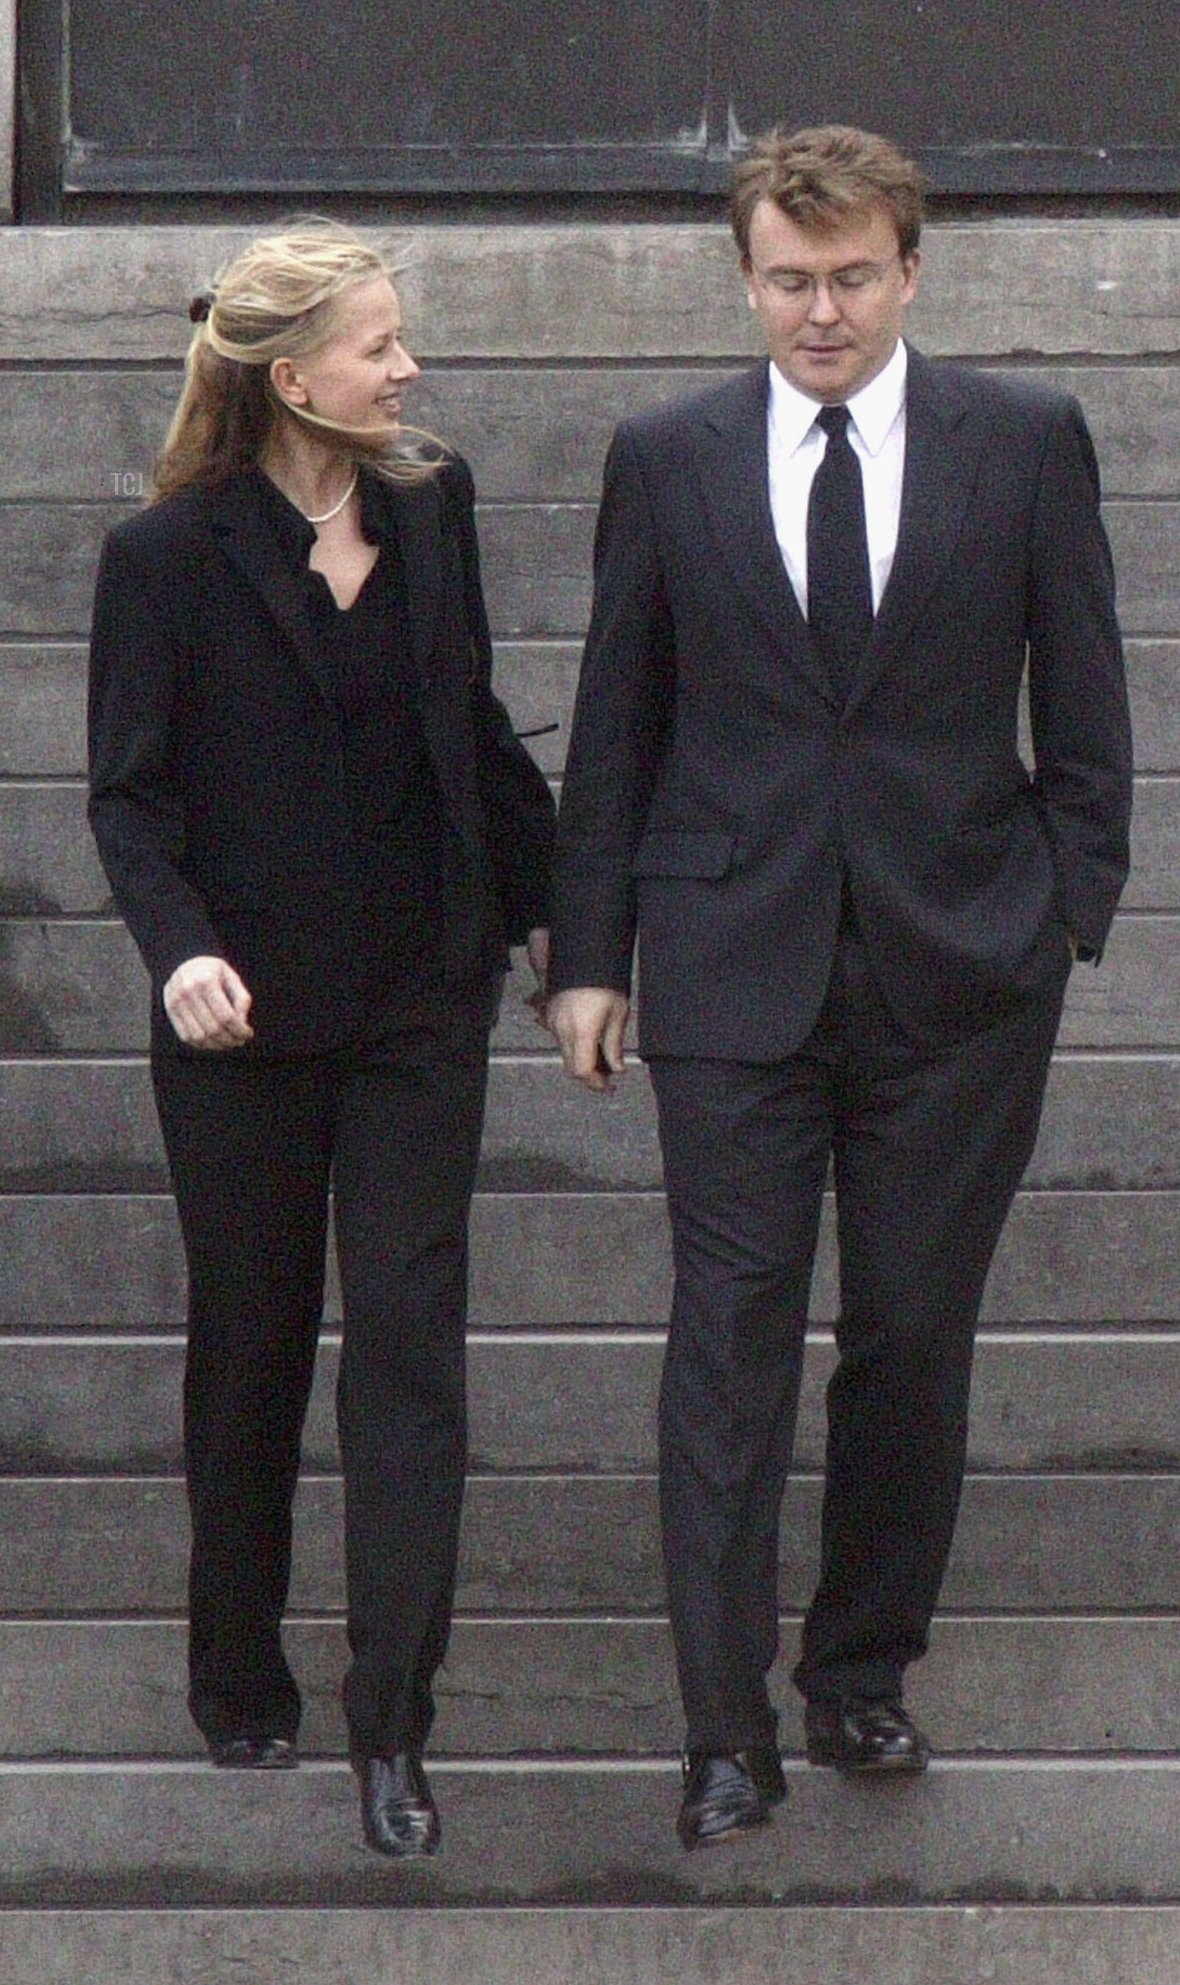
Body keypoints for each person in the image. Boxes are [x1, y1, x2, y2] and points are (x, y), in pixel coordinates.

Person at [545, 125, 1131, 1850]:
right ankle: (725, 1729)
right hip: (733, 970)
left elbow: (1087, 706)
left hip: (960, 977)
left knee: (907, 1339)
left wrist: (1062, 915)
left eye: (851, 276)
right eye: (789, 280)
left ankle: (860, 1666)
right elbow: (614, 728)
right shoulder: (667, 456)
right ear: (747, 279)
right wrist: (591, 958)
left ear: (910, 270)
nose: (819, 309)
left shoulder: (1022, 442)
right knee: (726, 1346)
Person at [87, 221, 555, 1859]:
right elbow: (130, 798)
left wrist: (566, 921)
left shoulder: (435, 510)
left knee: (414, 1351)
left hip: (423, 1004)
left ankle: (395, 1723)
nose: (409, 367)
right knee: (255, 1346)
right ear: (295, 378)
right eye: (380, 344)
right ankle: (238, 1670)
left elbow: (477, 724)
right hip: (248, 1028)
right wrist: (181, 949)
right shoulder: (165, 560)